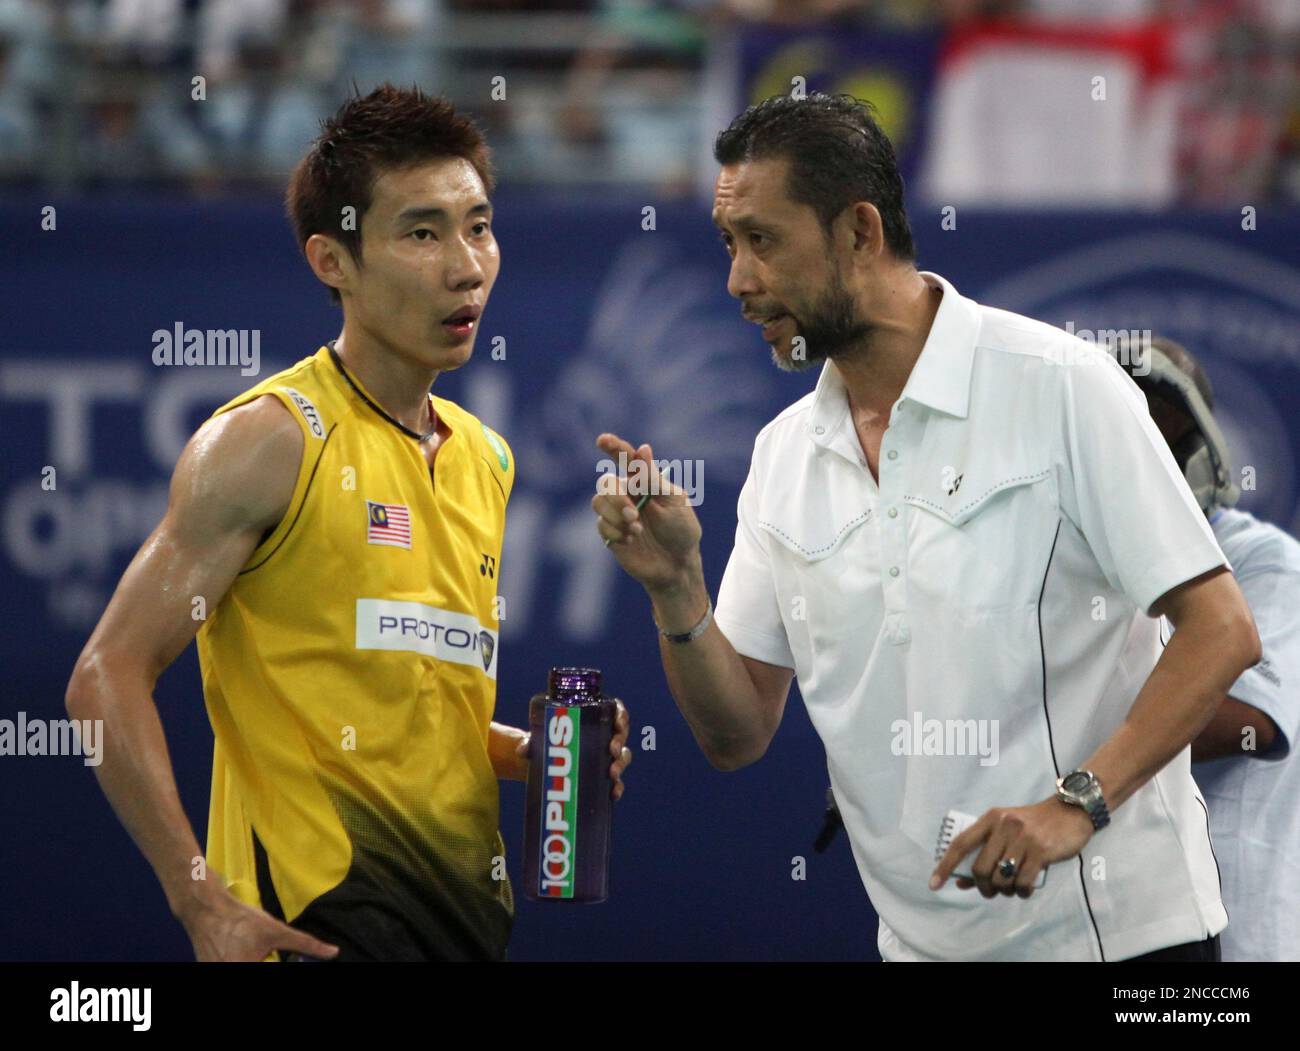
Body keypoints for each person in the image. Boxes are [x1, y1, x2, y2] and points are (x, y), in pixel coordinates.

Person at [591, 92, 1259, 961]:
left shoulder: (1063, 385)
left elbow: (1222, 629)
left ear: (860, 232)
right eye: (729, 244)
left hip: (1126, 944)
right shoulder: (783, 454)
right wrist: (676, 590)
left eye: (762, 240)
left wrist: (1075, 805)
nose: (738, 281)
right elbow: (738, 732)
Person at [65, 85, 631, 962]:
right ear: (332, 259)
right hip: (313, 930)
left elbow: (393, 700)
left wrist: (539, 754)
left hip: (464, 931)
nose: (466, 265)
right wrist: (199, 899)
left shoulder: (486, 457)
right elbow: (104, 676)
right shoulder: (269, 440)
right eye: (421, 232)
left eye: (478, 225)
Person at [1125, 336, 1300, 962]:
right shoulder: (1068, 571)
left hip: (1241, 933)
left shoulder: (1266, 564)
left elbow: (1252, 721)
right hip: (1112, 931)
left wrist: (1059, 733)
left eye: (1164, 441)